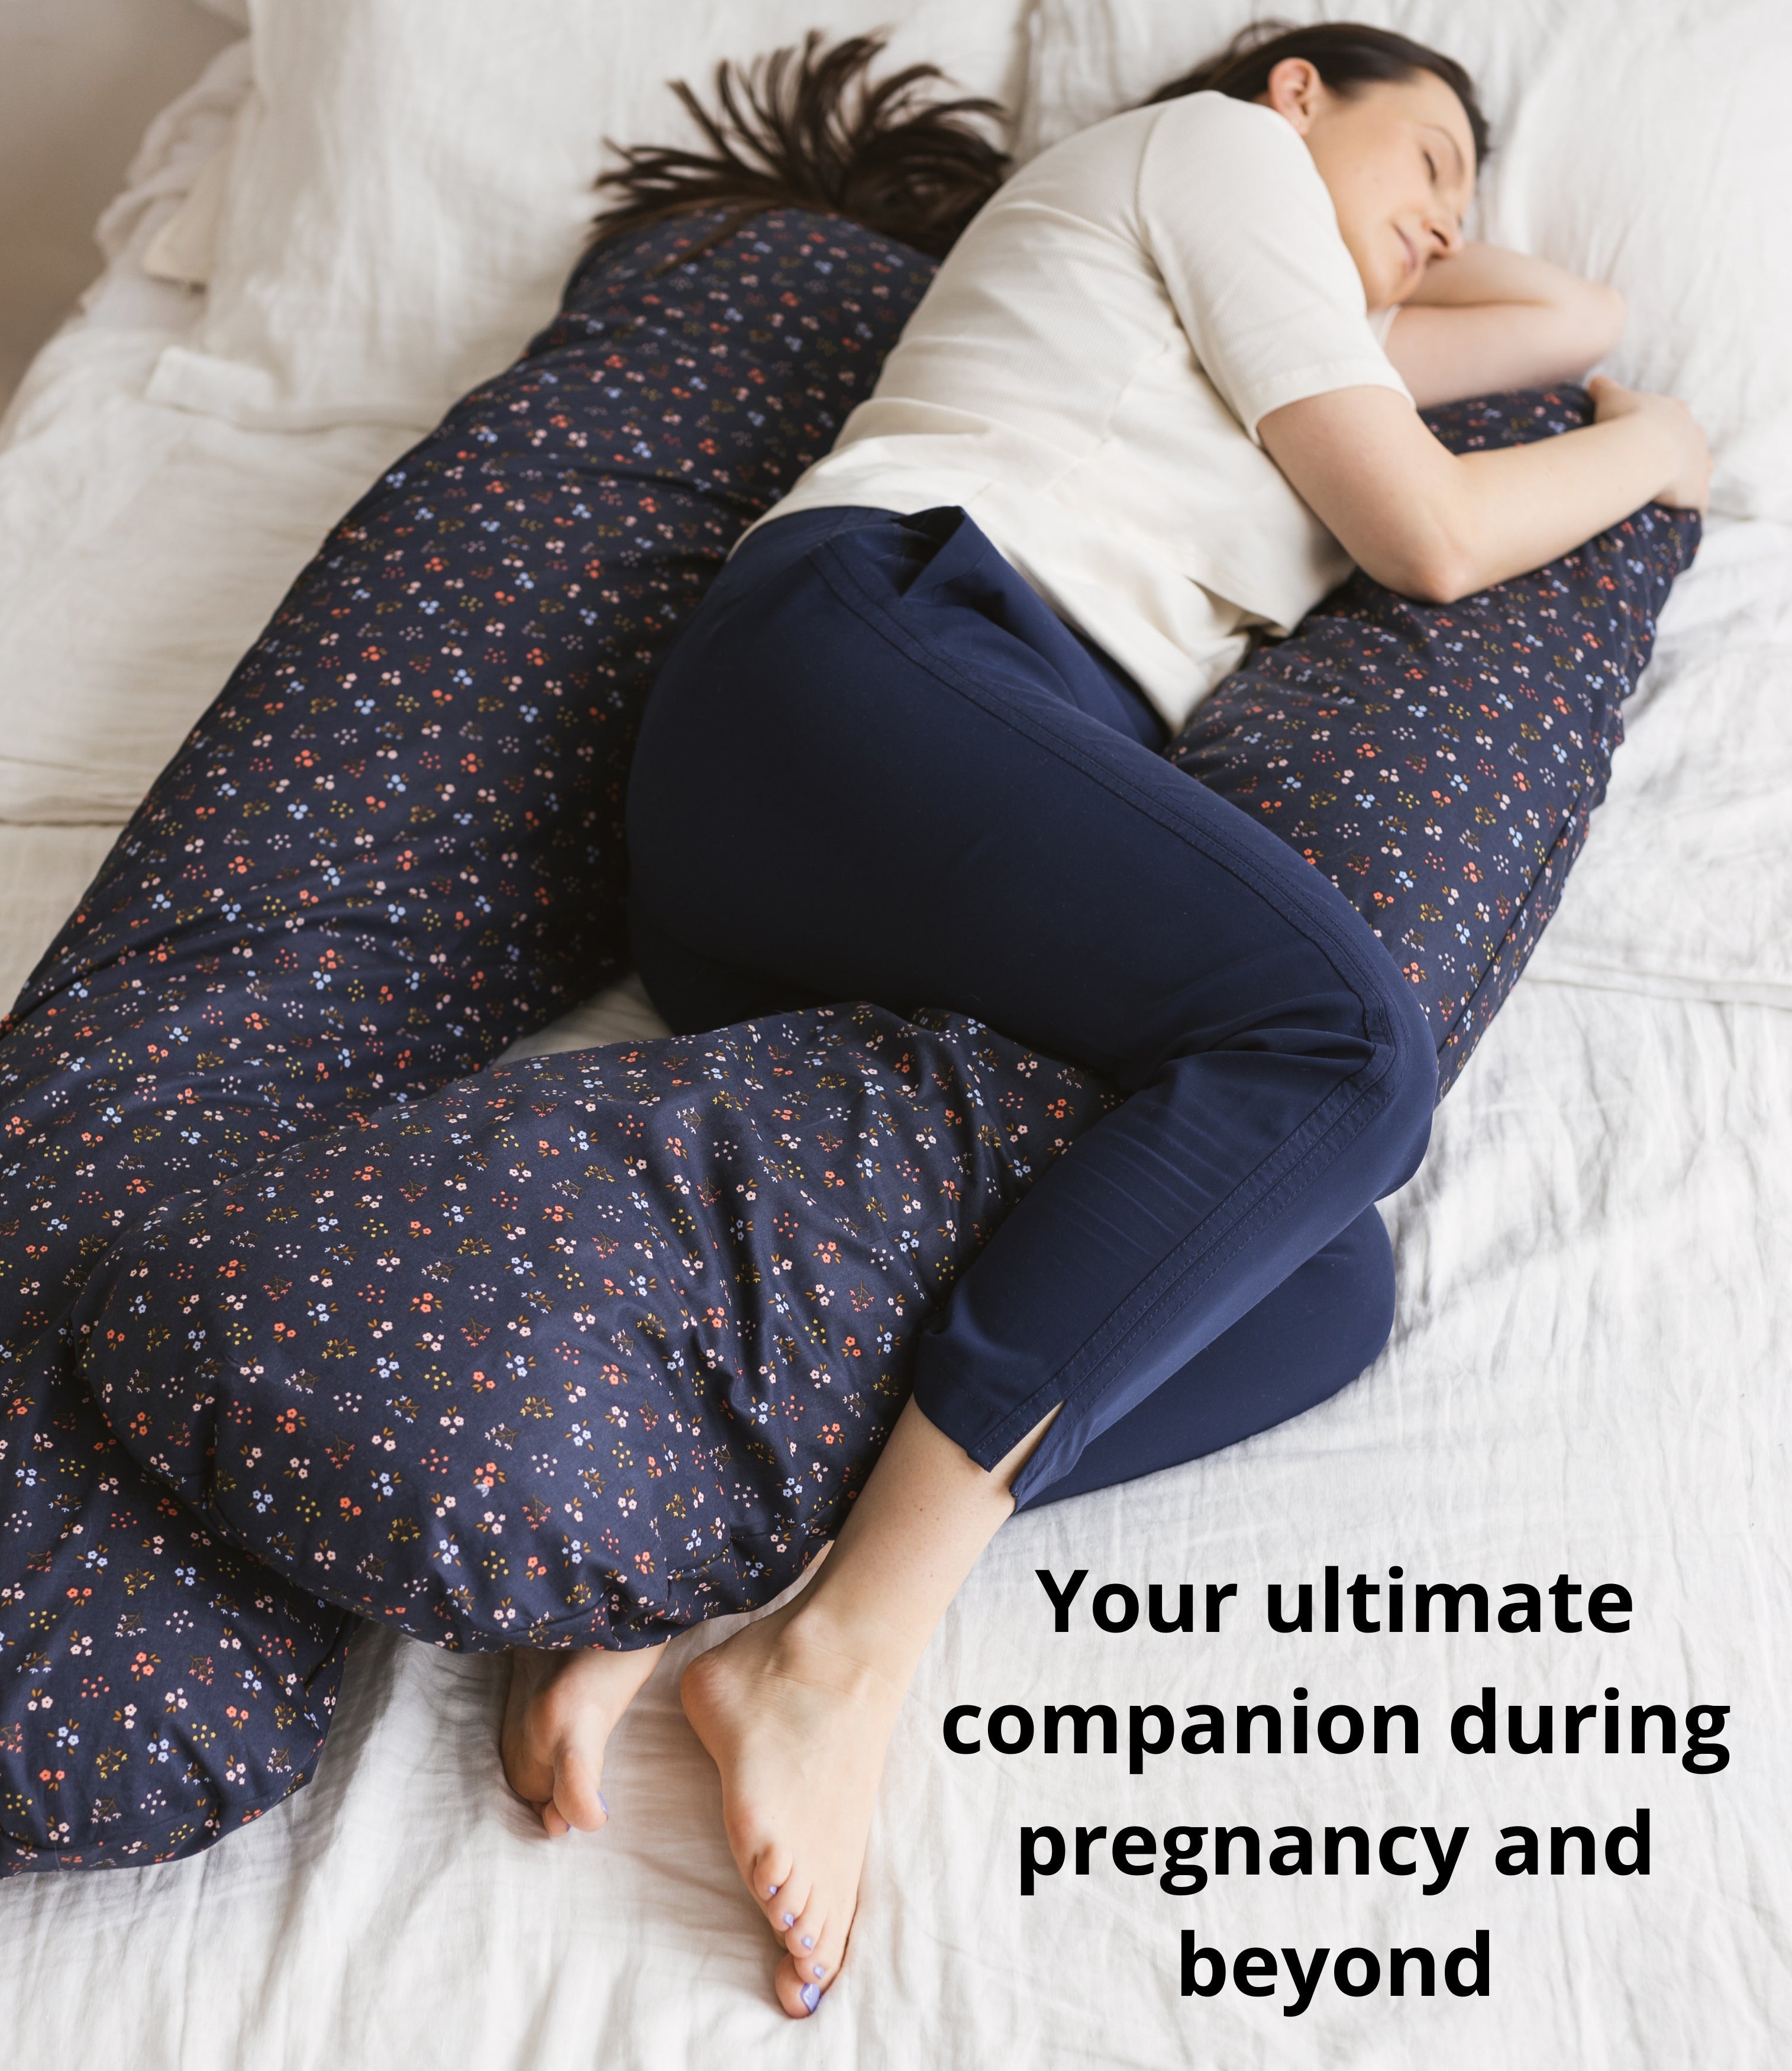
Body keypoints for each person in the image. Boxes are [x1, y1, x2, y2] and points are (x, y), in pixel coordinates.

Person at [506, 21, 1710, 2019]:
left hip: (903, 841)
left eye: (1460, 212)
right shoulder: (1206, 161)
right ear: (1292, 92)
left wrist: (1442, 252)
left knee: (1313, 1289)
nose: (1440, 231)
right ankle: (837, 1657)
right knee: (1342, 1048)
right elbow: (1429, 528)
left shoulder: (1289, 322)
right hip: (878, 652)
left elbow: (1569, 313)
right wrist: (1664, 454)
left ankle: (723, 1579)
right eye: (1425, 164)